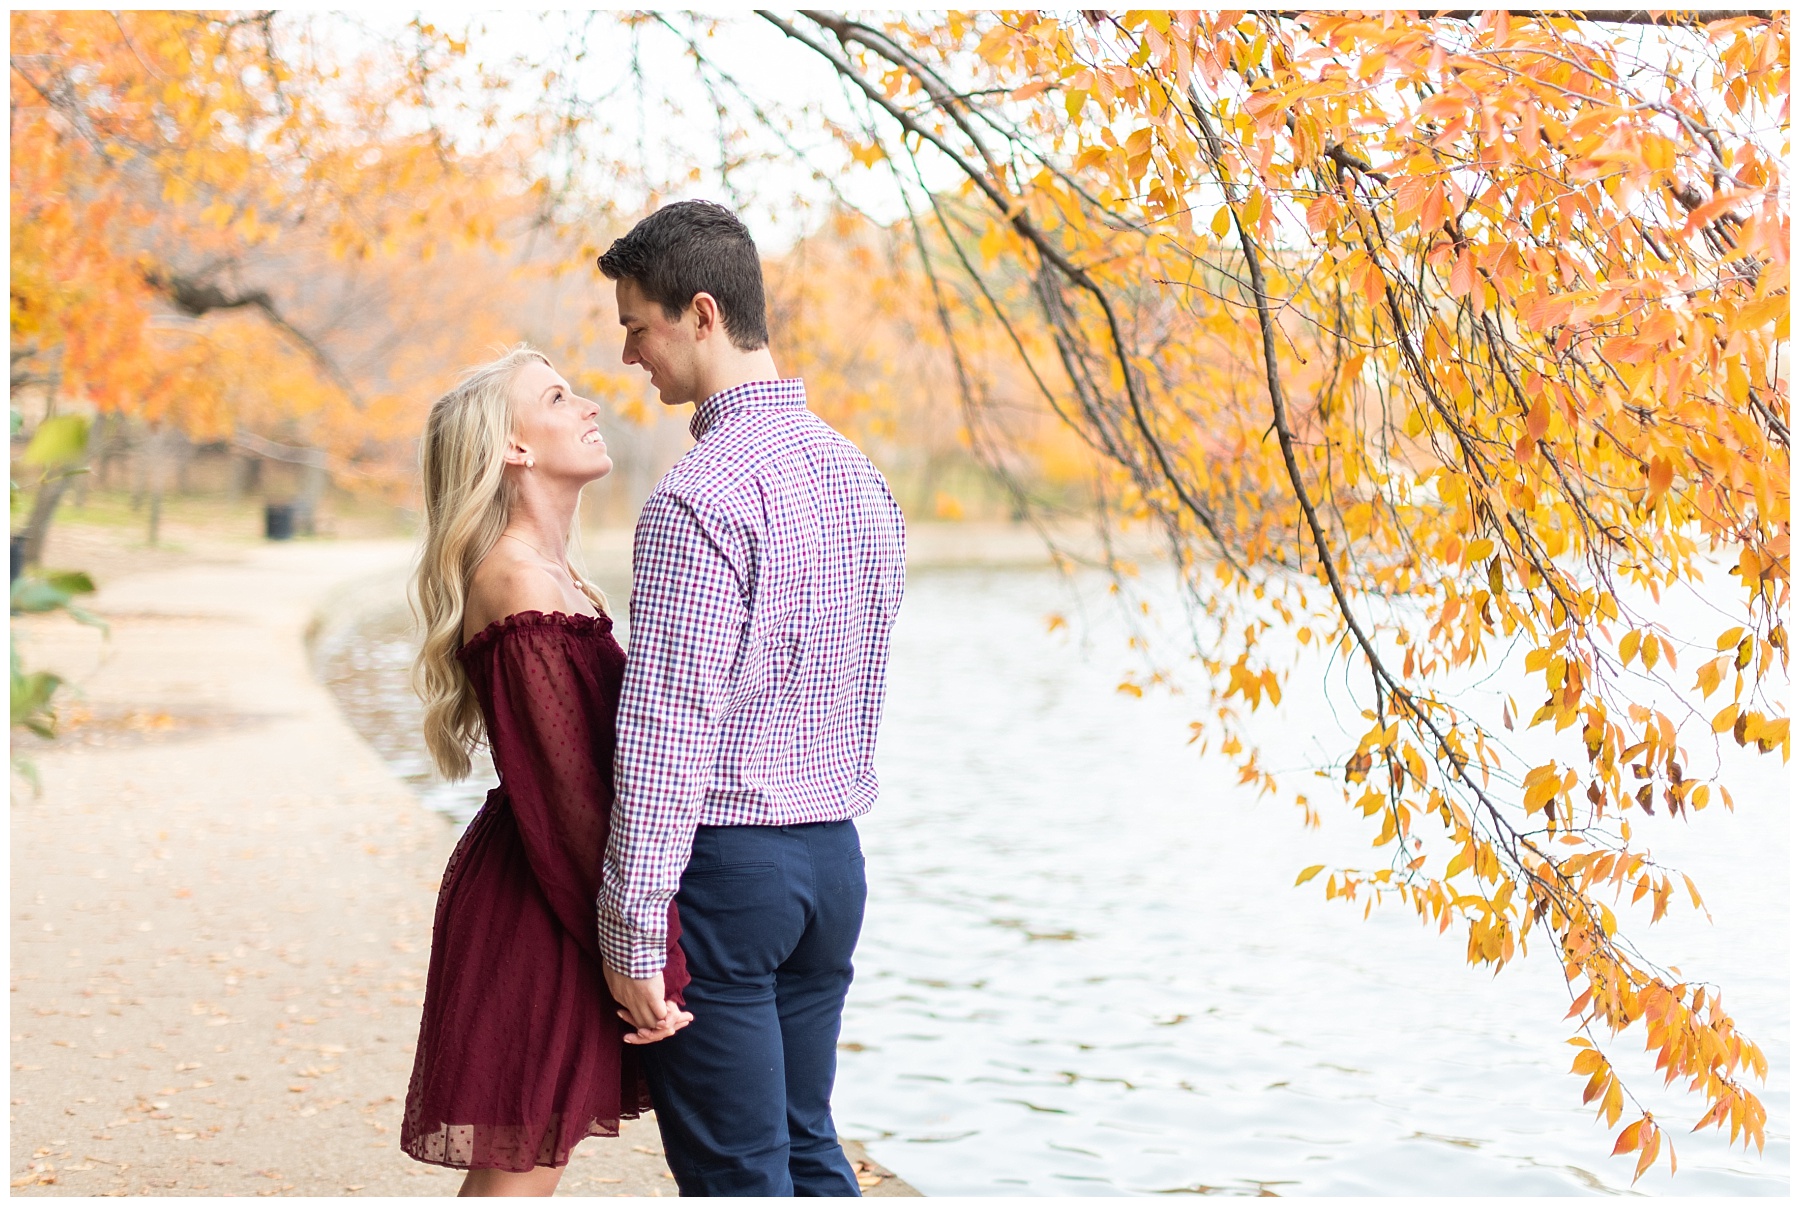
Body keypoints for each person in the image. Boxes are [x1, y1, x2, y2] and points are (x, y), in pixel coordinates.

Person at [595, 201, 908, 1196]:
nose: (631, 355)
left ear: (697, 313)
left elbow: (666, 729)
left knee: (737, 1174)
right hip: (832, 868)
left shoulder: (701, 497)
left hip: (731, 873)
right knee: (805, 1142)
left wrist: (634, 932)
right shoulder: (864, 480)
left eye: (636, 326)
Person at [402, 344, 694, 1196]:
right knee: (516, 1181)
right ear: (514, 449)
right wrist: (644, 959)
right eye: (559, 397)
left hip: (557, 886)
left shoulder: (555, 573)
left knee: (529, 1171)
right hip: (540, 896)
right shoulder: (516, 580)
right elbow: (572, 806)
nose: (590, 406)